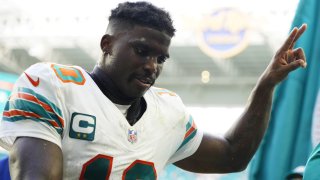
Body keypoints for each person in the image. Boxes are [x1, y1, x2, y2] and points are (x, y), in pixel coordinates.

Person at [0, 1, 307, 179]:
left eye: (160, 58)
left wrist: (267, 85)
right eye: (142, 51)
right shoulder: (54, 85)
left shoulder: (168, 113)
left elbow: (231, 156)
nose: (152, 65)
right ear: (107, 45)